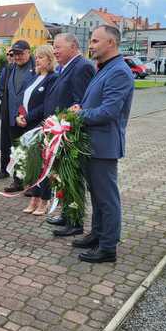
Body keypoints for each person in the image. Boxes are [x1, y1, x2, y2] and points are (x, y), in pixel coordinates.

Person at [70, 25, 134, 263]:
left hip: (103, 145)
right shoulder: (105, 68)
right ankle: (97, 234)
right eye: (92, 41)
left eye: (96, 41)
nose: (91, 45)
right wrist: (81, 108)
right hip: (93, 142)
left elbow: (109, 111)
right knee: (96, 194)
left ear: (111, 43)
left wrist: (78, 116)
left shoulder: (119, 71)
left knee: (107, 197)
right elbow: (96, 103)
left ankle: (108, 247)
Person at [43, 33, 96, 236]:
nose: (55, 51)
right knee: (63, 178)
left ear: (73, 46)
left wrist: (66, 127)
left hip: (70, 135)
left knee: (73, 179)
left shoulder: (82, 67)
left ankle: (75, 223)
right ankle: (67, 215)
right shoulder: (65, 67)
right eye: (53, 47)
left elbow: (81, 103)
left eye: (58, 47)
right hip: (59, 133)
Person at [15, 45, 58, 215]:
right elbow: (24, 99)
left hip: (41, 126)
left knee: (43, 165)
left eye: (41, 57)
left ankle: (44, 201)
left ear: (49, 59)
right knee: (32, 164)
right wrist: (19, 115)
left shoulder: (53, 78)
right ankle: (33, 198)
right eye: (37, 57)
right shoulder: (34, 78)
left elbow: (45, 105)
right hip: (28, 125)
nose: (37, 60)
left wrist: (28, 117)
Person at [1, 40, 36, 193]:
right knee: (16, 150)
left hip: (29, 120)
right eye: (15, 54)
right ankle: (18, 181)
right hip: (12, 118)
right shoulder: (10, 68)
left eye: (21, 53)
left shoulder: (36, 69)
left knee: (31, 152)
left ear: (29, 52)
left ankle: (32, 183)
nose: (18, 56)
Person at [0, 47, 17, 181]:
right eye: (8, 54)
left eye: (12, 54)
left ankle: (19, 174)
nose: (10, 56)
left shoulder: (23, 70)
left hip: (18, 114)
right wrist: (5, 98)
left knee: (17, 144)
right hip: (5, 112)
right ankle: (3, 170)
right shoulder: (6, 69)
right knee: (4, 143)